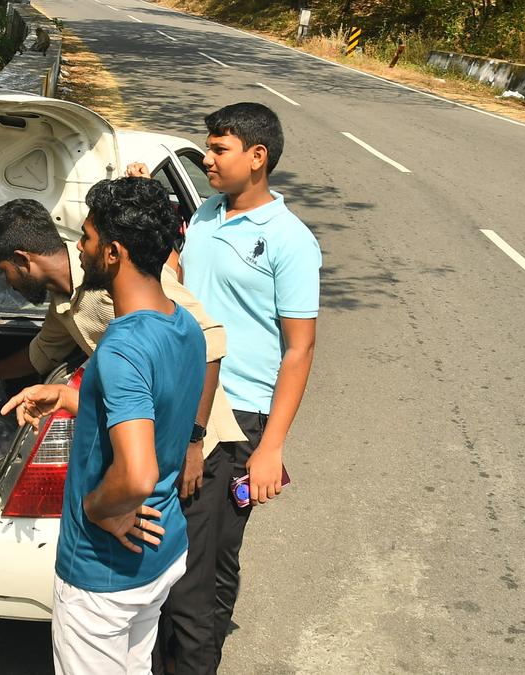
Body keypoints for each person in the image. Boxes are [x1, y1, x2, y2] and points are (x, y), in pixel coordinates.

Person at [1, 177, 207, 673]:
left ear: (113, 253)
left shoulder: (121, 348)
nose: (79, 247)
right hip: (159, 552)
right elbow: (151, 413)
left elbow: (136, 475)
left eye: (88, 238)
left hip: (102, 570)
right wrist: (70, 396)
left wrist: (98, 511)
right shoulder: (184, 326)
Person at [179, 102, 320, 669]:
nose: (208, 159)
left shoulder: (289, 240)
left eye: (219, 150)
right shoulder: (206, 214)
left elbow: (300, 349)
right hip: (191, 402)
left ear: (257, 158)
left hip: (238, 419)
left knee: (198, 560)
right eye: (209, 148)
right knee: (206, 553)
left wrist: (271, 448)